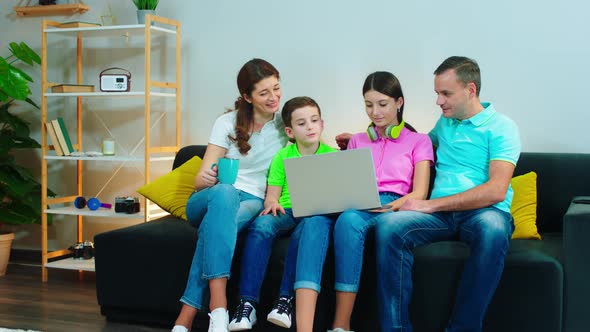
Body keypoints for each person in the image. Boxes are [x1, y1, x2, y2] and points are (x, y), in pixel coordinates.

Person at [375, 56, 521, 332]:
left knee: (493, 228)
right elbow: (410, 147)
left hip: (483, 213)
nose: (439, 101)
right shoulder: (445, 124)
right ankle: (395, 328)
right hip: (441, 217)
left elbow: (496, 189)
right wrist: (364, 139)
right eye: (437, 93)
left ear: (471, 90)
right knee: (388, 226)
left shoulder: (502, 127)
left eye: (446, 94)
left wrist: (430, 205)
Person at [172, 58, 289, 332]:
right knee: (224, 193)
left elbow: (312, 146)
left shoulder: (286, 126)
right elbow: (201, 182)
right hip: (211, 198)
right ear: (247, 97)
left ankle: (190, 318)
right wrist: (206, 178)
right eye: (264, 92)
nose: (273, 97)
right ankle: (219, 305)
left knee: (213, 230)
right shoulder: (226, 123)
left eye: (276, 88)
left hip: (253, 201)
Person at [329, 72, 434, 332]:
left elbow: (419, 192)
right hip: (359, 202)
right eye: (368, 104)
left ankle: (341, 324)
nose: (374, 112)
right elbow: (347, 185)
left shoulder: (419, 141)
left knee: (350, 219)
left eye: (382, 104)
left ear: (399, 102)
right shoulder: (356, 140)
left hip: (397, 204)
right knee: (346, 218)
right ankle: (341, 326)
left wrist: (392, 206)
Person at [228, 96, 337, 332]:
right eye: (301, 123)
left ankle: (284, 301)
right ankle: (247, 304)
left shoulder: (332, 155)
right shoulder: (283, 157)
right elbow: (272, 195)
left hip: (315, 211)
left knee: (307, 229)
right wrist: (272, 202)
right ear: (289, 131)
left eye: (314, 120)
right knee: (260, 227)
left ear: (322, 124)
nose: (309, 126)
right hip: (286, 209)